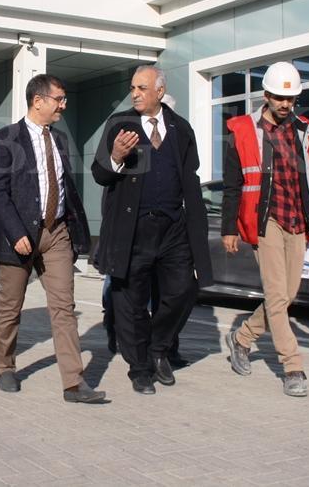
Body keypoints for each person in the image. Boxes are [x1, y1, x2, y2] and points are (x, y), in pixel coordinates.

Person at [91, 66, 213, 395]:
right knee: (130, 301)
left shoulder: (180, 128)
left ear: (159, 91)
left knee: (183, 290)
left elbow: (191, 178)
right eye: (132, 88)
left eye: (142, 88)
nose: (134, 94)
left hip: (174, 227)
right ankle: (140, 368)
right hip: (134, 227)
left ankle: (158, 348)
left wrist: (197, 225)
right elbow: (99, 174)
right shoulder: (119, 125)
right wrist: (116, 156)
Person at [0, 74, 105, 404]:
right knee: (10, 307)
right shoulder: (4, 138)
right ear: (38, 101)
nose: (64, 105)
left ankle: (73, 383)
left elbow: (64, 186)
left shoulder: (60, 140)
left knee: (64, 307)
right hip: (19, 236)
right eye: (59, 99)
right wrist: (16, 232)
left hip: (57, 233)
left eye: (64, 99)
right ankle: (4, 366)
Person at [220, 61, 309, 398]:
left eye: (290, 98)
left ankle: (242, 338)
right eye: (279, 97)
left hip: (298, 219)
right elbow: (232, 186)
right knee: (277, 296)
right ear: (265, 95)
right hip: (265, 221)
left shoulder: (303, 129)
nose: (285, 103)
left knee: (287, 295)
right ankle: (292, 366)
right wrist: (229, 228)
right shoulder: (243, 130)